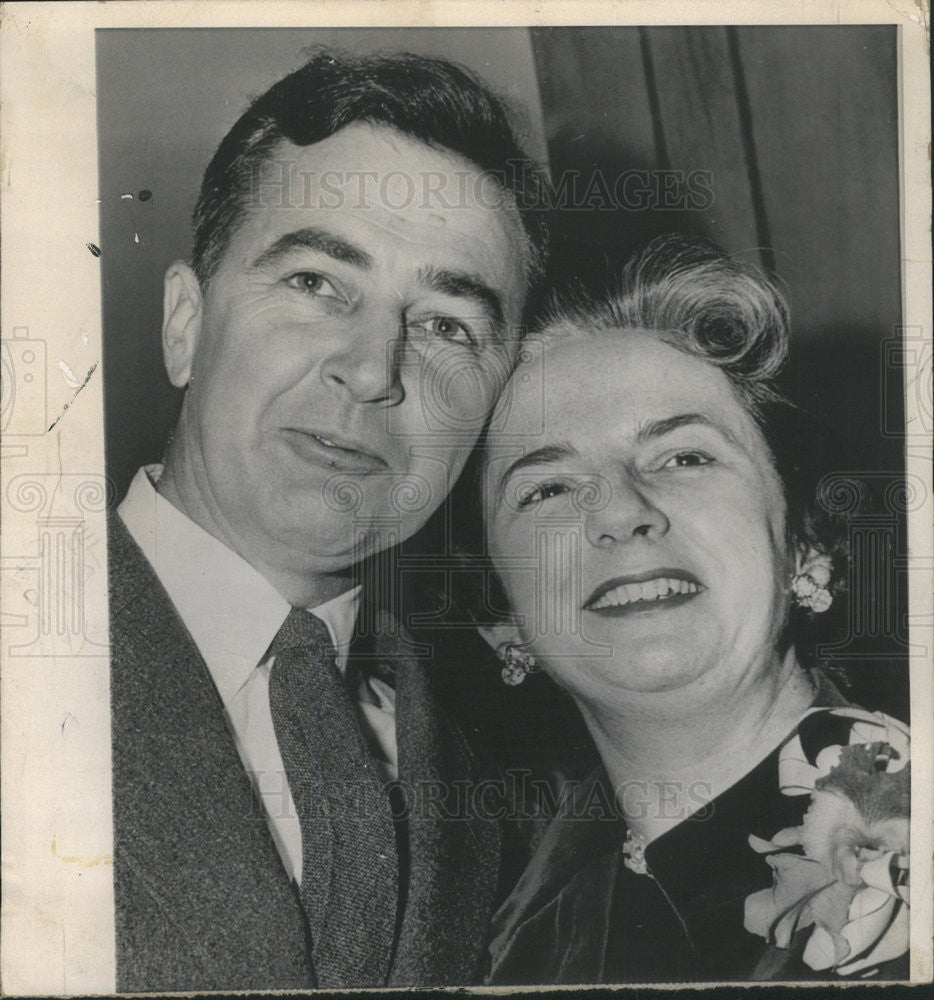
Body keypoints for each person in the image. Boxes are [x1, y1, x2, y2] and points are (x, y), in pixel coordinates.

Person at [107, 49, 550, 991]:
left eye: (445, 326)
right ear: (185, 324)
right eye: (316, 283)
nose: (374, 368)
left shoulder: (497, 796)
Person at [458, 233, 910, 983]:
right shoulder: (514, 924)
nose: (622, 513)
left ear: (804, 543)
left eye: (684, 457)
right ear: (504, 619)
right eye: (547, 489)